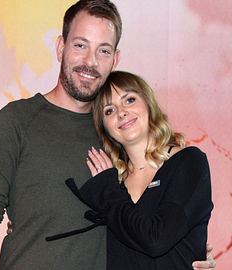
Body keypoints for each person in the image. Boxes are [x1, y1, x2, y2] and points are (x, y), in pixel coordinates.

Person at [0, 1, 216, 269]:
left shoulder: (120, 134)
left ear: (115, 59)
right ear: (61, 47)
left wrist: (188, 251)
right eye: (80, 45)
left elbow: (150, 219)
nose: (90, 61)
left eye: (103, 50)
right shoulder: (16, 121)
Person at [54, 70, 213, 269]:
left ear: (148, 103)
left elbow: (156, 240)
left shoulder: (187, 162)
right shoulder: (112, 181)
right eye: (109, 111)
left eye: (129, 100)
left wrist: (108, 192)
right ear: (105, 128)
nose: (121, 112)